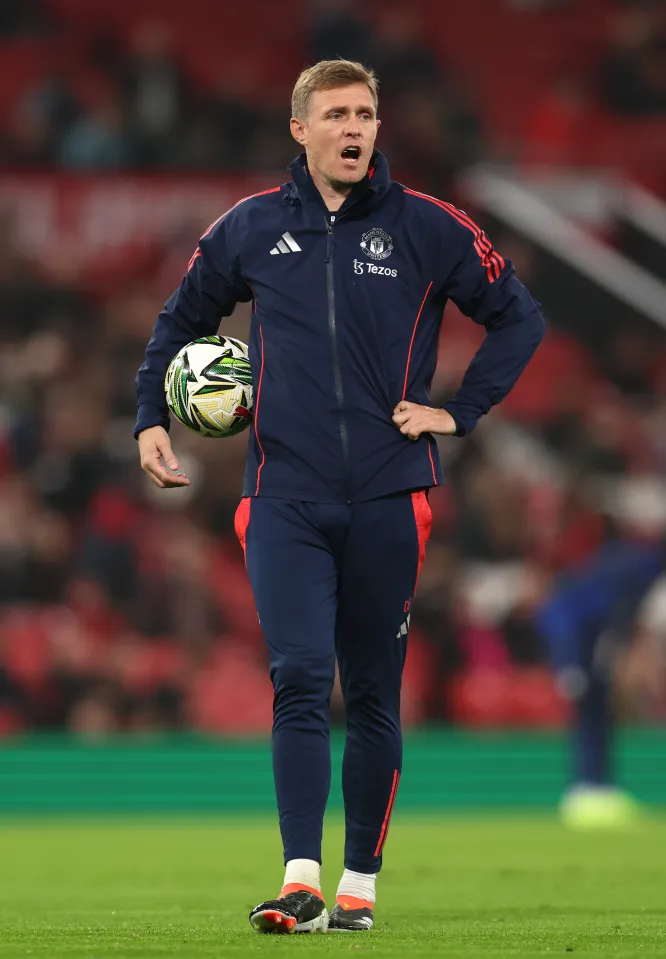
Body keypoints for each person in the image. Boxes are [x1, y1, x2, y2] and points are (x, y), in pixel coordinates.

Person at [134, 59, 545, 934]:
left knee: (371, 694)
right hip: (281, 495)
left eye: (365, 114)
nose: (355, 129)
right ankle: (301, 879)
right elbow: (178, 324)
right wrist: (148, 418)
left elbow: (521, 315)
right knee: (297, 677)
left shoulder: (428, 227)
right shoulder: (249, 229)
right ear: (301, 130)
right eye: (337, 115)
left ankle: (358, 885)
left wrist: (459, 412)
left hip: (392, 496)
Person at [536, 532, 664, 828]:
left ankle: (600, 787)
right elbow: (568, 617)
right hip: (573, 637)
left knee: (600, 711)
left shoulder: (631, 566)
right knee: (589, 711)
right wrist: (568, 662)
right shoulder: (637, 569)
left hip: (588, 637)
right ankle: (585, 788)